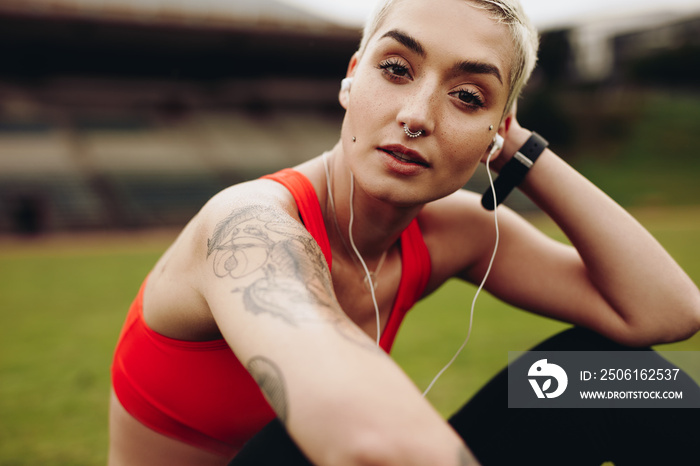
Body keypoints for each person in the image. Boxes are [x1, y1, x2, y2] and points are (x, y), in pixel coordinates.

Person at [108, 0, 700, 465]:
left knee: (600, 371)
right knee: (310, 438)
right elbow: (364, 438)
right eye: (396, 69)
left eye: (468, 97)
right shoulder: (248, 224)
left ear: (494, 132)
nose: (417, 115)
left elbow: (664, 312)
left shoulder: (453, 232)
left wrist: (520, 150)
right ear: (351, 80)